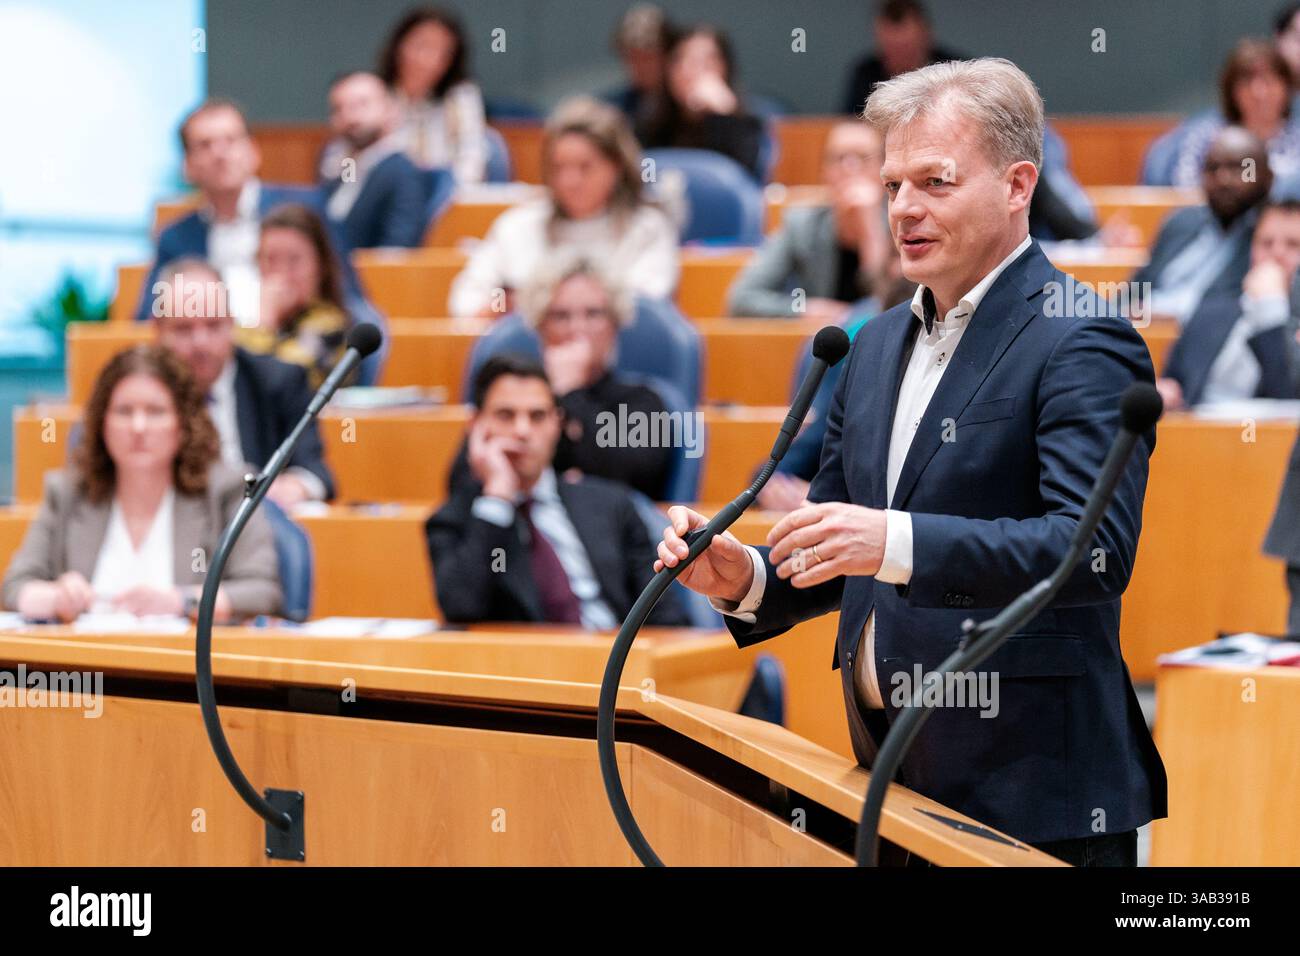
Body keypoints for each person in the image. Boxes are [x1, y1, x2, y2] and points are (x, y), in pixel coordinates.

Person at [655, 58, 1166, 866]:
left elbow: (1088, 554)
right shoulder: (873, 342)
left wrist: (892, 542)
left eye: (934, 182)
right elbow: (839, 535)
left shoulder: (1081, 340)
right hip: (885, 773)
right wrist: (748, 577)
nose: (903, 209)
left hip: (1033, 788)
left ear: (1017, 184)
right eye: (893, 185)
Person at [2, 346, 281, 623]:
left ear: (183, 423)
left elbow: (262, 592)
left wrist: (181, 601)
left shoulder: (225, 491)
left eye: (155, 411)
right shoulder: (68, 492)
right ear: (102, 423)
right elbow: (15, 588)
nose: (138, 427)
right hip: (87, 663)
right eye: (124, 411)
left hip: (183, 664)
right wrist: (56, 597)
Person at [426, 354, 689, 628]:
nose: (523, 431)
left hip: (618, 662)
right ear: (476, 425)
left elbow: (666, 618)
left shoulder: (611, 504)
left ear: (557, 422)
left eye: (537, 416)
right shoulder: (456, 521)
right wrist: (498, 499)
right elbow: (461, 606)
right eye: (506, 415)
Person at [449, 256, 676, 501]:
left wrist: (569, 393)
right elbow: (461, 483)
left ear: (615, 323)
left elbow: (639, 481)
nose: (577, 329)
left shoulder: (643, 402)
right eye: (560, 316)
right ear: (540, 327)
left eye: (593, 314)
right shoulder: (513, 403)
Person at [448, 97, 679, 318]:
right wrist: (500, 307)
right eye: (559, 167)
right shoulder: (517, 226)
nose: (569, 181)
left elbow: (647, 305)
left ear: (616, 166)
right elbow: (468, 302)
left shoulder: (647, 230)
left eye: (584, 167)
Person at [152, 257, 335, 507]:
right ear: (159, 331)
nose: (201, 343)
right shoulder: (138, 392)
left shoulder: (278, 381)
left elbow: (315, 470)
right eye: (184, 329)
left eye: (213, 325)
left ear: (231, 323)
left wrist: (295, 487)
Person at [134, 99, 317, 324]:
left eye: (230, 140)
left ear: (253, 152)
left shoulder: (304, 211)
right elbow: (148, 321)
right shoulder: (175, 238)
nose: (220, 154)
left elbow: (350, 304)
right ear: (187, 166)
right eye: (205, 145)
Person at [727, 121, 897, 320]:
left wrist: (870, 232)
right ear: (825, 172)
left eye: (863, 158)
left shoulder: (902, 225)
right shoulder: (801, 225)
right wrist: (803, 308)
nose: (850, 168)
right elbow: (742, 299)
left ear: (883, 171)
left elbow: (895, 305)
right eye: (839, 158)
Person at [1158, 199, 1300, 408]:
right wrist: (1166, 392)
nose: (1276, 253)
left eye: (1293, 244)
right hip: (1197, 433)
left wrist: (1271, 311)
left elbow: (1288, 394)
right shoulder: (1210, 311)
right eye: (1266, 243)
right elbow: (1174, 382)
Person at [1133, 126, 1274, 325]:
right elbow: (1133, 293)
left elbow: (1240, 307)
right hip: (1144, 337)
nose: (1223, 179)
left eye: (1238, 168)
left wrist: (1166, 313)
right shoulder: (1181, 222)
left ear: (1267, 178)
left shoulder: (1272, 237)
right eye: (1213, 168)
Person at [239, 204, 355, 389]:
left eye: (294, 260)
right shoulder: (247, 323)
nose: (281, 273)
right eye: (270, 259)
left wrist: (266, 322)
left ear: (320, 266)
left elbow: (278, 379)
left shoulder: (332, 329)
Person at [634, 24, 767, 181]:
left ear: (725, 68)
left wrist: (724, 114)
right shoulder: (649, 124)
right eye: (680, 59)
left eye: (705, 61)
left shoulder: (747, 125)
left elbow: (747, 184)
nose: (689, 70)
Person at [1163, 40, 1300, 188]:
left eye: (1269, 82)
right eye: (1247, 83)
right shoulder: (1207, 137)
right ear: (1232, 91)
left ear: (1287, 88)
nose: (1259, 93)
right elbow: (1186, 190)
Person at [319, 71, 428, 249]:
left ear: (391, 109)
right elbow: (336, 212)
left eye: (361, 105)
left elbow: (398, 247)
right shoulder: (342, 164)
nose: (350, 117)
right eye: (339, 108)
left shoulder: (401, 170)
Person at [379, 5, 487, 183]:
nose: (429, 59)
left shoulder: (461, 96)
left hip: (448, 196)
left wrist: (450, 189)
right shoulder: (374, 94)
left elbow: (472, 156)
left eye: (443, 52)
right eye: (422, 46)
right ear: (399, 46)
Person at [840, 0, 963, 115]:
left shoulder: (953, 70)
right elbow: (849, 122)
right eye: (890, 47)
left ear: (926, 36)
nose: (900, 55)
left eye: (906, 47)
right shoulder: (865, 73)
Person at [604, 4, 673, 129]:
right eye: (632, 58)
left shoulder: (686, 106)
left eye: (647, 58)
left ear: (666, 55)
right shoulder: (615, 107)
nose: (639, 66)